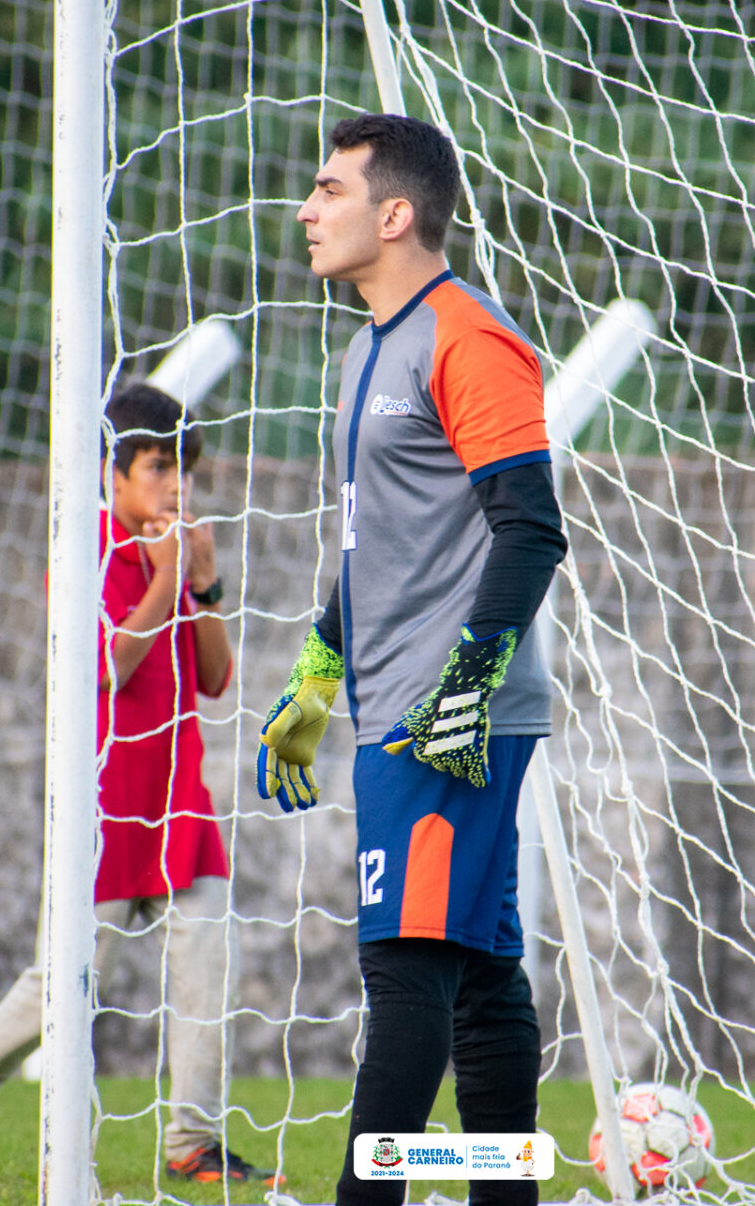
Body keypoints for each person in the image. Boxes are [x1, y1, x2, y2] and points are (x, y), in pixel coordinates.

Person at [256, 113, 569, 1206]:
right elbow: (373, 545)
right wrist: (316, 674)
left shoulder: (466, 336)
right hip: (391, 700)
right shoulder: (362, 347)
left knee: (406, 972)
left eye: (328, 189)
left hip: (449, 714)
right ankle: (505, 1188)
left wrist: (468, 684)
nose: (306, 209)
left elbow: (530, 525)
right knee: (480, 979)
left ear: (395, 214)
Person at [0, 383, 281, 1187]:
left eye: (183, 467)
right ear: (113, 473)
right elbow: (112, 663)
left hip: (181, 797)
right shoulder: (85, 554)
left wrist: (205, 584)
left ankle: (194, 1142)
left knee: (208, 961)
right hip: (107, 803)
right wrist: (165, 576)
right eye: (156, 467)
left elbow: (216, 679)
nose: (175, 485)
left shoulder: (176, 552)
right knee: (65, 979)